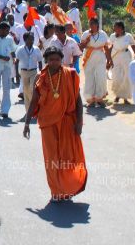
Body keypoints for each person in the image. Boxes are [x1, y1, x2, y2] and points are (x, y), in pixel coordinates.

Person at [23, 47, 87, 202]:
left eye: (57, 59)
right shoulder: (41, 77)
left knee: (67, 157)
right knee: (51, 158)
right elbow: (34, 101)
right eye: (51, 59)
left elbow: (78, 100)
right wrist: (26, 123)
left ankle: (67, 187)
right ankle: (56, 190)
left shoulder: (70, 75)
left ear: (61, 59)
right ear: (46, 60)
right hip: (48, 123)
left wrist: (79, 122)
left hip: (67, 122)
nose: (54, 62)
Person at [79, 18, 112, 107]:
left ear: (97, 25)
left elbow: (106, 48)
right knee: (90, 78)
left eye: (93, 24)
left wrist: (109, 60)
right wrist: (86, 41)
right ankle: (91, 100)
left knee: (101, 77)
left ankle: (99, 98)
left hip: (100, 58)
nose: (91, 25)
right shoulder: (86, 34)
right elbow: (81, 47)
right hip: (89, 58)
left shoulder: (103, 34)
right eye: (90, 24)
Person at [15, 32, 44, 119]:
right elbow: (17, 62)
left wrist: (41, 72)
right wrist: (16, 74)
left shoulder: (36, 49)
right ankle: (29, 111)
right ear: (25, 40)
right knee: (26, 91)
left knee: (32, 88)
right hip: (24, 72)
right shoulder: (20, 49)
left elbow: (39, 61)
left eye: (32, 38)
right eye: (30, 39)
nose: (32, 40)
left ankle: (35, 108)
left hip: (33, 72)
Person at [108, 21, 135, 104]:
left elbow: (133, 46)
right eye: (114, 27)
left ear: (121, 28)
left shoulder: (128, 36)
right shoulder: (112, 36)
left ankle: (125, 98)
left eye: (116, 27)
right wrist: (109, 60)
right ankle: (117, 95)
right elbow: (109, 48)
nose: (115, 29)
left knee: (126, 77)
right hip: (115, 57)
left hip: (126, 57)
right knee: (116, 76)